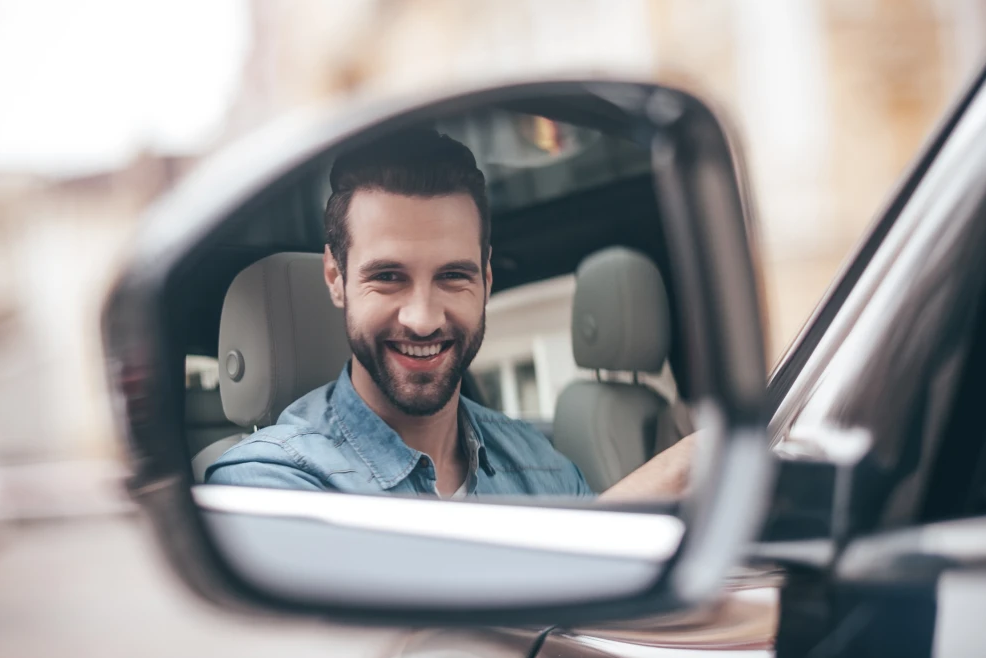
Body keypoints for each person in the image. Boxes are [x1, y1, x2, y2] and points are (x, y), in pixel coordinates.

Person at [206, 128, 697, 498]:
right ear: (336, 279)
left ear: (486, 280)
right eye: (389, 277)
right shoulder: (268, 482)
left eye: (452, 277)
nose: (422, 319)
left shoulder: (544, 468)